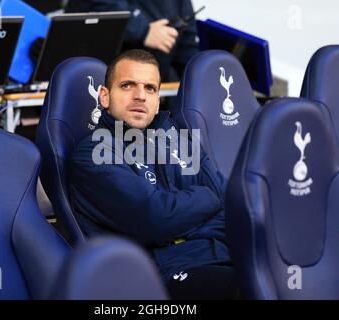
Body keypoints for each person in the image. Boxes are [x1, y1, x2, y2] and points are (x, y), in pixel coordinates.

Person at [69, 49, 239, 299]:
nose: (140, 96)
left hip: (219, 257)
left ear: (158, 100)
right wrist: (206, 197)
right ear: (104, 96)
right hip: (156, 279)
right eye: (127, 85)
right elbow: (156, 219)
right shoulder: (94, 153)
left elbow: (229, 203)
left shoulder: (180, 139)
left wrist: (191, 213)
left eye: (150, 88)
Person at [65, 0, 199, 82]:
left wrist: (198, 77)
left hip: (155, 90)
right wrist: (144, 30)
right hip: (95, 83)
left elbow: (187, 45)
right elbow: (101, 4)